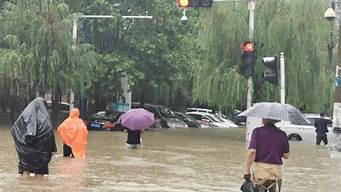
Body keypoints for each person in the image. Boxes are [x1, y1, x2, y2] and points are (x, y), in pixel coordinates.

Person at [11, 97, 57, 177]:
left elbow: (15, 131)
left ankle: (25, 186)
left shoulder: (24, 117)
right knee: (40, 171)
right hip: (41, 153)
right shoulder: (46, 122)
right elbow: (50, 136)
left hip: (26, 152)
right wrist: (52, 149)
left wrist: (24, 144)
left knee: (25, 169)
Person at [244, 118, 290, 192]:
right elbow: (286, 156)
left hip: (260, 173)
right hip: (275, 174)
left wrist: (247, 170)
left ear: (264, 119)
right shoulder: (282, 134)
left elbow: (252, 152)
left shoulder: (257, 131)